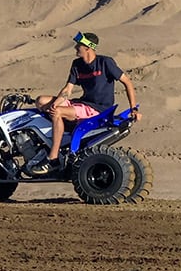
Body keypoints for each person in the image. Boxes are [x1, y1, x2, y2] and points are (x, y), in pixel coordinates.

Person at [31, 31, 139, 174]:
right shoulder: (76, 65)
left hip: (98, 109)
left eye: (79, 45)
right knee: (41, 101)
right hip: (82, 104)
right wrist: (56, 102)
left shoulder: (105, 63)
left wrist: (133, 108)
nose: (76, 47)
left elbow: (128, 82)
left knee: (57, 112)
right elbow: (68, 89)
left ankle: (53, 157)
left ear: (88, 48)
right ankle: (58, 134)